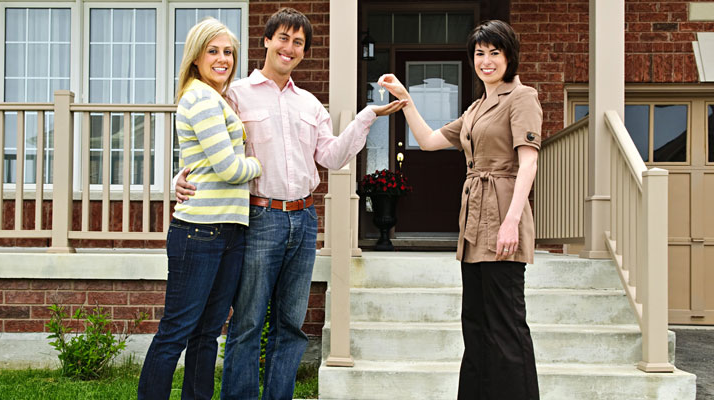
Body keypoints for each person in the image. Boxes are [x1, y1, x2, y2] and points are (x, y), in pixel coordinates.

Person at [175, 8, 406, 399]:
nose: (290, 47)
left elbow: (332, 157)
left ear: (303, 52)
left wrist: (367, 116)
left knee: (290, 324)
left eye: (298, 42)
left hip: (303, 220)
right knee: (247, 322)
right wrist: (179, 177)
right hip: (259, 216)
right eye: (283, 38)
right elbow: (202, 141)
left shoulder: (310, 105)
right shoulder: (233, 94)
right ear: (266, 41)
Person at [378, 19, 541, 400]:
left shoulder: (522, 97)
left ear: (509, 56)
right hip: (474, 221)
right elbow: (430, 140)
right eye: (479, 54)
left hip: (501, 212)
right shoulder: (476, 106)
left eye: (494, 53)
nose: (486, 61)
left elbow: (528, 163)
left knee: (506, 325)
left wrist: (510, 223)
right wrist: (407, 100)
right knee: (476, 325)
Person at [137, 18, 262, 400]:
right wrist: (258, 164)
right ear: (196, 58)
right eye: (213, 51)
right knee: (176, 331)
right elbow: (228, 168)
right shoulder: (201, 97)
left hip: (227, 230)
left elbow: (205, 163)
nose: (222, 59)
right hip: (200, 232)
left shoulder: (217, 97)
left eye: (228, 52)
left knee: (207, 334)